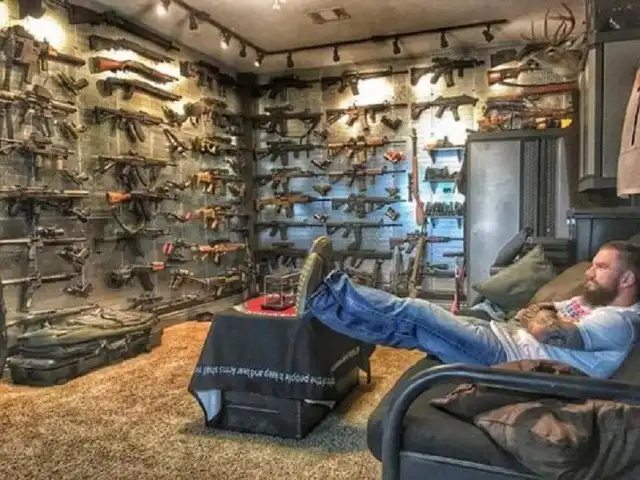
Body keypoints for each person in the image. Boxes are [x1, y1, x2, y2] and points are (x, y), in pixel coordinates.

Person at [296, 237, 640, 379]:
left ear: (627, 279)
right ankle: (323, 304)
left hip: (502, 357)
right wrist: (542, 317)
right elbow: (534, 310)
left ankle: (330, 289)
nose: (590, 273)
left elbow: (541, 325)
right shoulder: (593, 301)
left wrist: (542, 319)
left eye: (601, 268)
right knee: (410, 330)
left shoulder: (617, 322)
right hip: (502, 336)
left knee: (417, 312)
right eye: (593, 265)